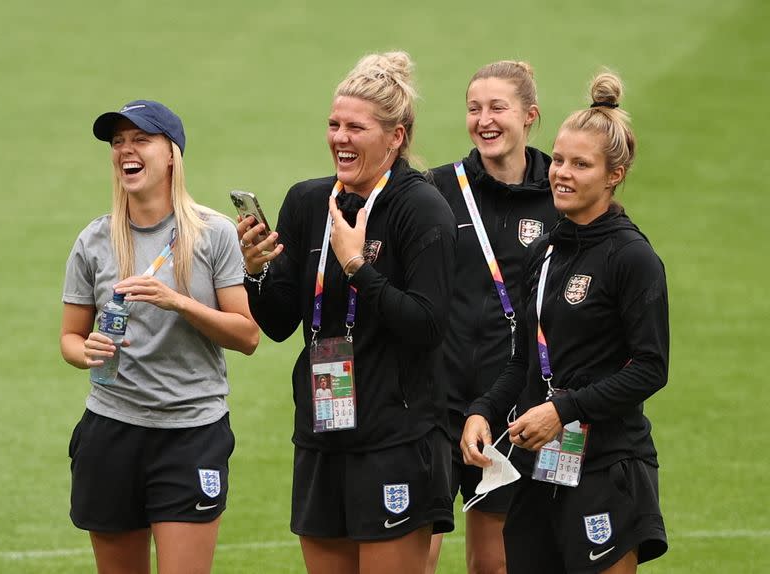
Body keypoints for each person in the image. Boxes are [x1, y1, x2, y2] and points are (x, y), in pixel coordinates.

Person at [238, 51, 457, 573]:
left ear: (396, 137)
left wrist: (358, 266)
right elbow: (279, 322)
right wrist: (254, 273)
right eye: (334, 125)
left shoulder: (421, 208)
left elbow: (427, 325)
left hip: (395, 439)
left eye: (355, 127)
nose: (339, 137)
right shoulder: (308, 203)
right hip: (321, 432)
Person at [461, 71, 669, 573]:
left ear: (613, 174)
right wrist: (483, 410)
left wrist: (562, 410)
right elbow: (523, 361)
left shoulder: (632, 257)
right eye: (557, 160)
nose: (562, 173)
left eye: (581, 164)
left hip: (607, 468)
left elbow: (650, 368)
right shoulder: (546, 250)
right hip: (542, 473)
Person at [60, 100, 259, 574]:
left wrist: (179, 302)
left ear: (171, 154)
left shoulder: (215, 234)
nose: (125, 150)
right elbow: (69, 337)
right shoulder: (94, 240)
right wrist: (84, 351)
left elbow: (247, 335)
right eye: (117, 142)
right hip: (111, 429)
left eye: (140, 139)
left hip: (191, 434)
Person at [426, 60, 558, 574]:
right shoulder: (436, 189)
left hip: (513, 407)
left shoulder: (559, 192)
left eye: (498, 107)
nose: (485, 119)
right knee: (417, 556)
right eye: (474, 108)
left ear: (530, 115)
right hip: (437, 403)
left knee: (493, 563)